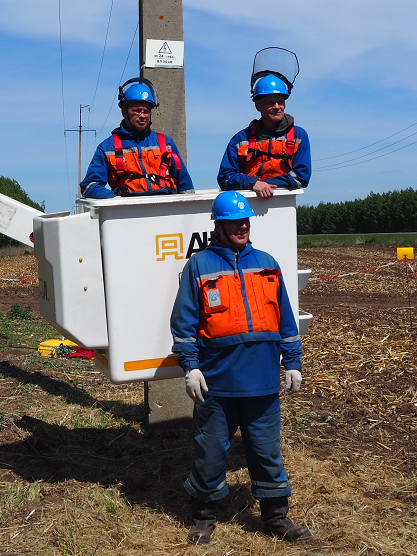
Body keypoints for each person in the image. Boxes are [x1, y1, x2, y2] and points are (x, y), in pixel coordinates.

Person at [170, 190, 311, 545]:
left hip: (262, 382)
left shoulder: (267, 262)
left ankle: (276, 517)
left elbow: (285, 320)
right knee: (210, 450)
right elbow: (184, 323)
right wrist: (191, 367)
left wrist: (292, 362)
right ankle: (203, 517)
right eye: (234, 222)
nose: (242, 226)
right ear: (219, 226)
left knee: (266, 450)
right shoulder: (198, 266)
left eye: (245, 220)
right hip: (216, 383)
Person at [80, 77, 194, 199]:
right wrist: (115, 201)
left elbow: (186, 187)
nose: (143, 115)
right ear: (124, 111)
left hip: (165, 210)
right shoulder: (107, 148)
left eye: (147, 111)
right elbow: (89, 186)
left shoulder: (166, 144)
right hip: (128, 212)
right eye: (137, 111)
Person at [217, 73, 311, 198]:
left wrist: (264, 184)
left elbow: (301, 177)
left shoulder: (298, 136)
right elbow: (225, 178)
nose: (277, 107)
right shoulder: (240, 139)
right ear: (257, 106)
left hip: (283, 203)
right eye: (270, 103)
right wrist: (253, 184)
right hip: (247, 203)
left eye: (280, 101)